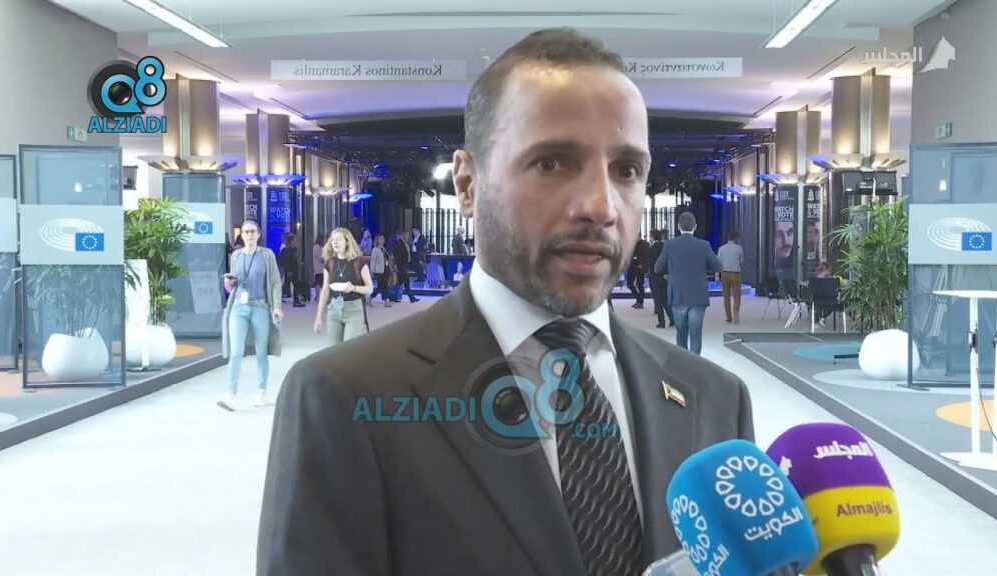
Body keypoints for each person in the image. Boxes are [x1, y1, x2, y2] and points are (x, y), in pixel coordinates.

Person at [257, 28, 753, 576]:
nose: (601, 206)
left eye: (627, 170)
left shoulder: (715, 398)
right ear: (467, 185)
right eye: (552, 163)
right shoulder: (344, 396)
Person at [220, 220, 283, 411]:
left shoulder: (267, 255)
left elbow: (275, 281)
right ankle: (230, 393)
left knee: (261, 351)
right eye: (246, 232)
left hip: (260, 306)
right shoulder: (236, 255)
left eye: (252, 231)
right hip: (238, 307)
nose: (249, 235)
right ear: (242, 235)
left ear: (258, 234)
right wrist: (229, 282)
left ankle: (261, 391)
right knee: (236, 351)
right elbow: (232, 285)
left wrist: (276, 306)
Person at [654, 212, 722, 356]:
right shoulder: (704, 245)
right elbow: (718, 266)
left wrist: (671, 271)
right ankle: (695, 362)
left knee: (681, 332)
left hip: (677, 294)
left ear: (678, 226)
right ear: (695, 227)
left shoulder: (669, 245)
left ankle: (683, 364)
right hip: (698, 295)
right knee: (696, 333)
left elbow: (657, 268)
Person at [314, 227, 374, 345]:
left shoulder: (358, 262)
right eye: (332, 240)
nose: (335, 242)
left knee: (348, 350)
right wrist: (318, 316)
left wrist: (354, 288)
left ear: (347, 241)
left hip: (353, 310)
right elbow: (325, 290)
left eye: (338, 240)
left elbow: (370, 288)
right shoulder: (330, 263)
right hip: (334, 309)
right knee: (333, 349)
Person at [647, 229, 673, 328]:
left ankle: (661, 321)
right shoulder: (665, 247)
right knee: (665, 299)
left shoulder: (651, 249)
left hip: (655, 277)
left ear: (652, 237)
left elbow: (652, 264)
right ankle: (672, 319)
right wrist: (666, 273)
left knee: (657, 300)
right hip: (665, 277)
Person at [718, 230, 745, 324]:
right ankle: (736, 313)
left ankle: (728, 317)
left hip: (725, 274)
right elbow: (742, 261)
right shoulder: (739, 248)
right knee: (737, 296)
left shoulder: (721, 249)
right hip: (735, 274)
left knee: (726, 297)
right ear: (736, 238)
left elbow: (718, 263)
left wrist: (717, 276)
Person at [391, 229, 420, 303]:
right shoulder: (398, 244)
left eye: (407, 235)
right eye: (405, 235)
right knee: (406, 281)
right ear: (401, 236)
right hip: (401, 266)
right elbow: (396, 256)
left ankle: (393, 296)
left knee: (399, 282)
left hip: (405, 265)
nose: (406, 237)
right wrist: (395, 265)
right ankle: (411, 298)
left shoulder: (407, 244)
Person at [369, 233, 394, 307]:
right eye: (380, 239)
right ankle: (385, 301)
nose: (382, 240)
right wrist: (372, 271)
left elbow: (386, 258)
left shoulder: (383, 249)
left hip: (386, 269)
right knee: (382, 286)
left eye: (383, 239)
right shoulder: (375, 250)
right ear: (377, 240)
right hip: (379, 271)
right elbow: (373, 261)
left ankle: (371, 298)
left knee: (383, 286)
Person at [627, 235, 649, 309]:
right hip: (632, 266)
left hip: (640, 267)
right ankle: (639, 299)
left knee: (640, 285)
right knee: (629, 284)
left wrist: (643, 265)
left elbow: (647, 256)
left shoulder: (645, 244)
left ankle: (640, 302)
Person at [311, 233, 327, 303]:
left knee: (320, 283)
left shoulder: (320, 247)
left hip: (321, 268)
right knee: (319, 283)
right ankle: (318, 296)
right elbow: (320, 258)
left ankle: (319, 296)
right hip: (319, 268)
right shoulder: (317, 247)